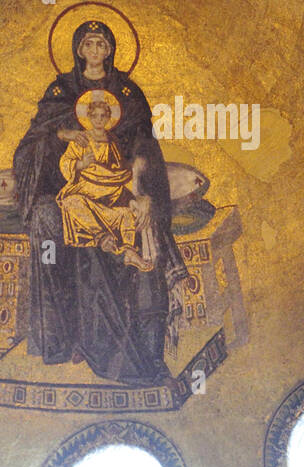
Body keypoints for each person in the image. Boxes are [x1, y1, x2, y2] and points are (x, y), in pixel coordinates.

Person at [12, 19, 187, 385]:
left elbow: (144, 145)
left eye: (101, 44)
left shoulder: (127, 91)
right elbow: (32, 145)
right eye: (88, 44)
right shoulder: (60, 91)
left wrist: (143, 187)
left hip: (120, 188)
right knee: (47, 219)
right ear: (79, 50)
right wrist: (63, 134)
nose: (94, 50)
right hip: (71, 189)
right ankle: (61, 336)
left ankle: (148, 351)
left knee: (143, 229)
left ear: (110, 50)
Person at [56, 91, 152, 272]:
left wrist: (131, 197)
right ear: (89, 117)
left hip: (110, 193)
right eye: (95, 116)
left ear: (108, 118)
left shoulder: (112, 142)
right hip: (86, 190)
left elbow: (121, 172)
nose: (99, 120)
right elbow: (65, 161)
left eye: (103, 116)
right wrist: (80, 164)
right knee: (71, 202)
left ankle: (130, 251)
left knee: (125, 214)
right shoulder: (81, 139)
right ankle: (101, 236)